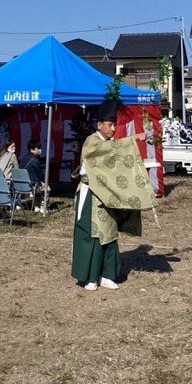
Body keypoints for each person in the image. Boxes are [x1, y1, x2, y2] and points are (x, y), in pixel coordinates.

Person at [71, 100, 153, 292]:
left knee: (109, 235)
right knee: (93, 237)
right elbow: (108, 153)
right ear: (99, 124)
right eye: (110, 125)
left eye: (114, 125)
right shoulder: (93, 141)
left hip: (107, 197)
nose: (113, 128)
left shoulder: (108, 143)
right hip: (91, 196)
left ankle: (107, 275)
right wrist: (133, 139)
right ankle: (90, 277)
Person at [22, 139, 47, 205]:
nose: (39, 150)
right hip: (33, 184)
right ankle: (42, 206)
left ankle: (36, 205)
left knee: (39, 186)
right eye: (38, 148)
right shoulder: (35, 160)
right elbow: (40, 175)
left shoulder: (23, 158)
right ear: (31, 149)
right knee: (46, 188)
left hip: (22, 184)